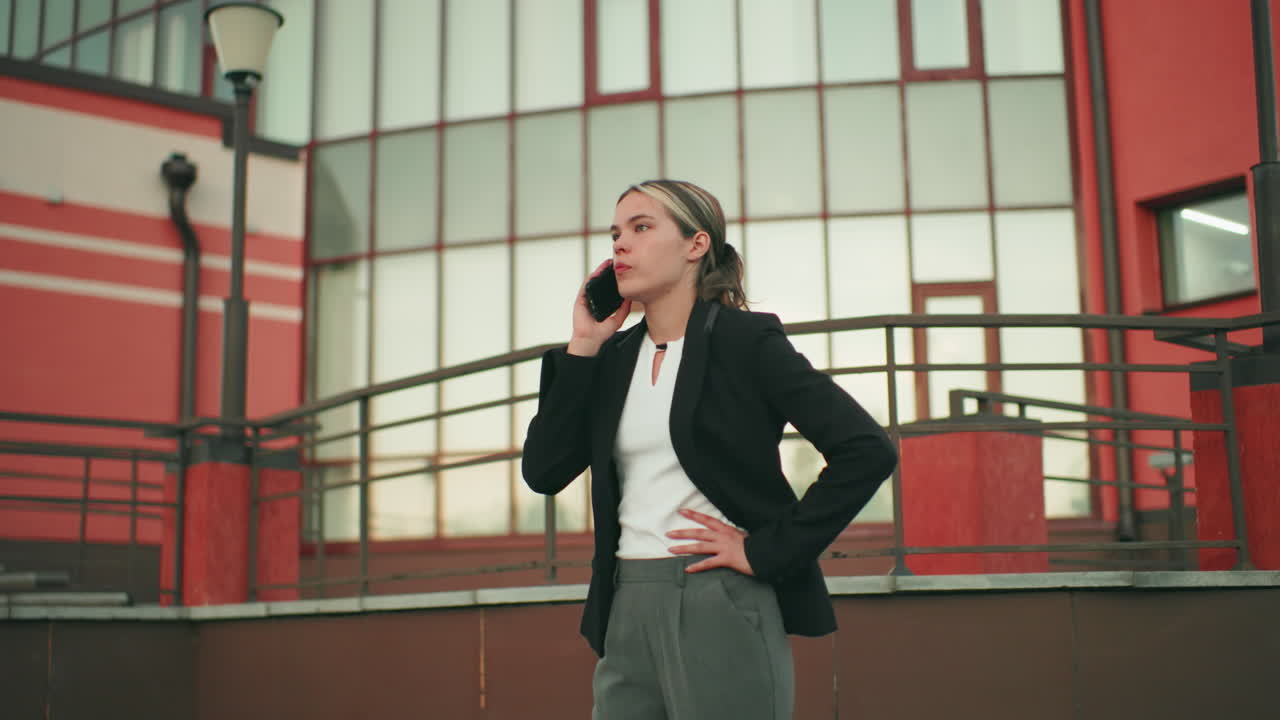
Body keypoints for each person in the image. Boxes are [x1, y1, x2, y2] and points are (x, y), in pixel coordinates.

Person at [522, 179, 898, 719]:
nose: (619, 245)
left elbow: (866, 449)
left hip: (717, 596)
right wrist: (583, 345)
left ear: (696, 245)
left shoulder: (746, 343)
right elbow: (544, 470)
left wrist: (765, 549)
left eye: (642, 227)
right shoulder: (612, 357)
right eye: (615, 233)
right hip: (624, 601)